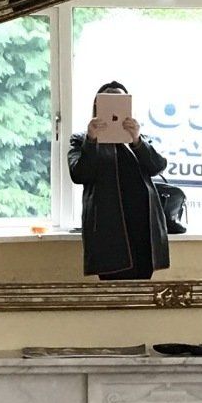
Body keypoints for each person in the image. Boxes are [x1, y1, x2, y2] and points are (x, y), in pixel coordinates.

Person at [68, 80, 171, 281]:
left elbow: (157, 167)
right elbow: (79, 174)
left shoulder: (138, 139)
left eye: (121, 101)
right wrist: (92, 140)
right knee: (113, 298)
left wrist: (137, 141)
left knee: (142, 298)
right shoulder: (82, 141)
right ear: (97, 108)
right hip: (110, 233)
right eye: (108, 102)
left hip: (143, 231)